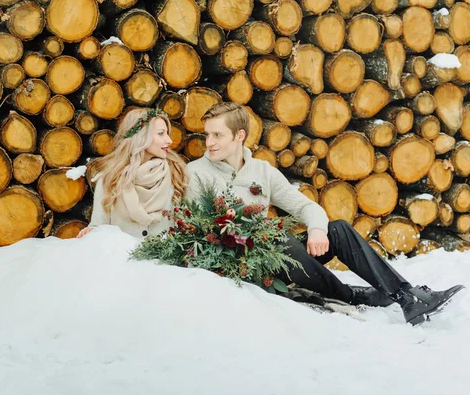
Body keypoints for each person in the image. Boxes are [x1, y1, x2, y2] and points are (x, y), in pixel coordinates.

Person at [185, 102, 464, 326]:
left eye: (217, 135)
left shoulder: (262, 171)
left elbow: (306, 206)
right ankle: (350, 294)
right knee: (279, 241)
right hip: (245, 264)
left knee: (339, 229)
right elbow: (200, 232)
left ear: (239, 136)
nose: (209, 142)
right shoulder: (196, 173)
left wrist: (318, 229)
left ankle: (407, 297)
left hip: (279, 251)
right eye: (207, 134)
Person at [78, 107, 187, 239]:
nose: (169, 140)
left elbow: (187, 225)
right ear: (140, 136)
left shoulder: (177, 173)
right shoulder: (109, 178)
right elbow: (99, 225)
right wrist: (91, 231)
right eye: (161, 133)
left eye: (167, 133)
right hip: (122, 257)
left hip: (163, 258)